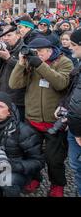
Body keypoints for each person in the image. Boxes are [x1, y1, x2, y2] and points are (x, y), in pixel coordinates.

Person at [9, 37, 73, 197]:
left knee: (54, 159)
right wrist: (21, 64)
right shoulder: (31, 63)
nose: (36, 55)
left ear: (49, 50)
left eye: (39, 52)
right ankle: (34, 178)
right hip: (33, 118)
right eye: (34, 52)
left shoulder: (64, 62)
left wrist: (40, 64)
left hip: (54, 121)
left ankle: (57, 184)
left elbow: (61, 84)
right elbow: (14, 84)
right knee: (32, 155)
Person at [0, 92, 44, 197]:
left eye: (1, 106)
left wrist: (13, 165)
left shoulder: (24, 131)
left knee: (7, 183)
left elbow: (38, 161)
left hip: (15, 171)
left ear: (9, 111)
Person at [58, 29, 81, 196]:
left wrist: (78, 131)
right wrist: (63, 106)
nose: (71, 48)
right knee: (76, 167)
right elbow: (73, 94)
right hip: (74, 126)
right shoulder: (79, 66)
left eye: (74, 45)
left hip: (78, 129)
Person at [0, 26, 26, 121]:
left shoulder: (24, 50)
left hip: (16, 98)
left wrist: (9, 58)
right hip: (1, 92)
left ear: (18, 35)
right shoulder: (5, 48)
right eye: (4, 35)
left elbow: (25, 69)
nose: (6, 38)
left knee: (15, 125)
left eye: (9, 35)